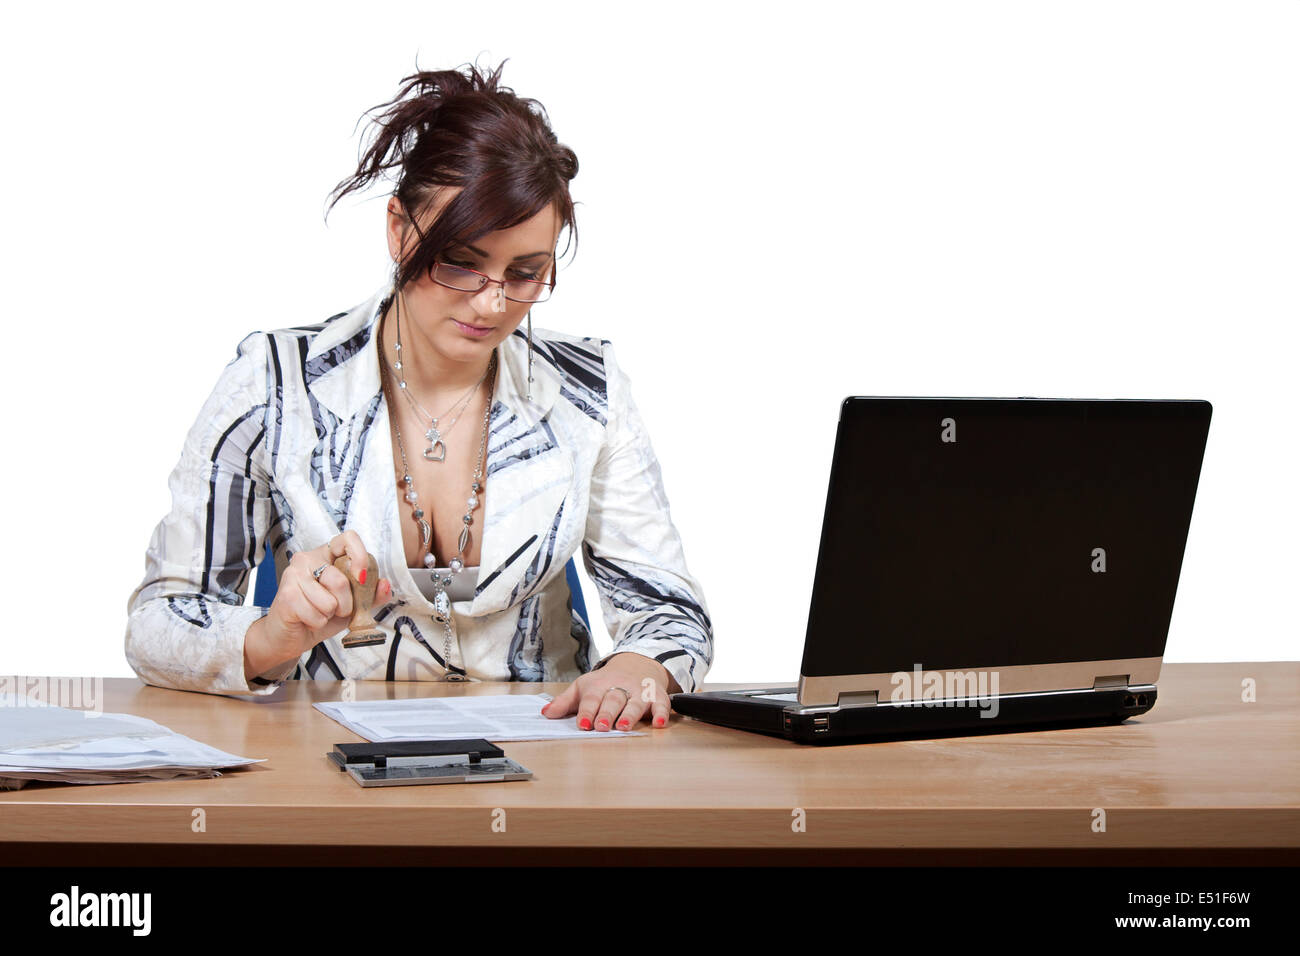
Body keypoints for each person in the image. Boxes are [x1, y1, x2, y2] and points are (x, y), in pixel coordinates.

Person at [124, 60, 713, 733]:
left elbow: (669, 610)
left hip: (546, 768)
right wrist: (272, 637)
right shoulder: (278, 382)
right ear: (400, 230)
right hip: (329, 767)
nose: (493, 302)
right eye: (461, 261)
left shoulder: (585, 391)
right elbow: (159, 622)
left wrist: (639, 665)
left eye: (525, 273)